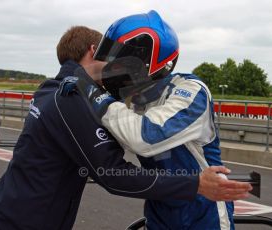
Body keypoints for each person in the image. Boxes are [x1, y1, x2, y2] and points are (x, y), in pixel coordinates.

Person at [0, 26, 251, 230]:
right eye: (111, 53)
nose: (116, 62)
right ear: (92, 50)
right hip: (27, 221)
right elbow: (114, 174)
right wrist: (194, 184)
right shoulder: (72, 96)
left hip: (16, 211)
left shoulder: (51, 89)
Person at [67, 11, 236, 229]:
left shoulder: (191, 90)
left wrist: (94, 94)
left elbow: (144, 136)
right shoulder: (133, 98)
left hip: (203, 216)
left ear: (147, 61)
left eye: (118, 61)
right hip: (160, 214)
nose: (111, 67)